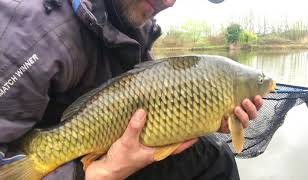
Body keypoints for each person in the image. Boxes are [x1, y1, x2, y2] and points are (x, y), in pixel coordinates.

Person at [0, 0, 263, 179]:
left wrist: (205, 117)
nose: (170, 1)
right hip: (75, 167)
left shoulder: (132, 24)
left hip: (100, 148)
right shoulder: (27, 38)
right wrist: (100, 174)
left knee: (215, 160)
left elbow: (153, 103)